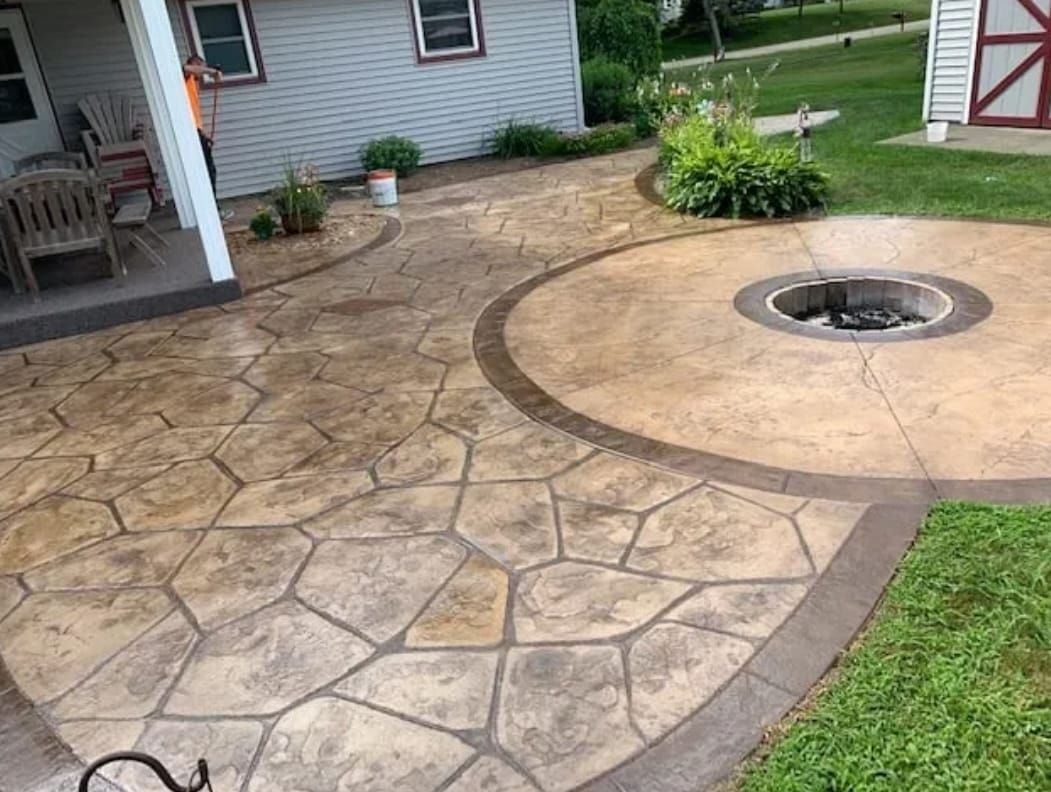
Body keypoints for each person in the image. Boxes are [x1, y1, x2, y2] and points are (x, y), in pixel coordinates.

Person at [182, 55, 233, 219]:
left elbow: (193, 114)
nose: (201, 74)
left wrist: (204, 135)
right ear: (195, 64)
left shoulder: (193, 83)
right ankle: (212, 211)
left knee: (209, 170)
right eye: (201, 67)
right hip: (190, 133)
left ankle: (211, 208)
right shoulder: (184, 76)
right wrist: (211, 71)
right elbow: (186, 68)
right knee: (207, 170)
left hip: (196, 132)